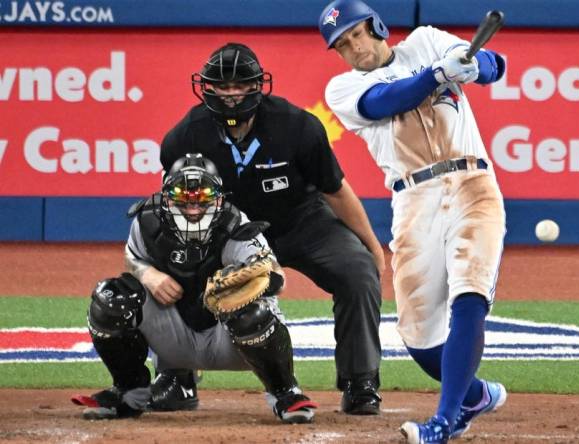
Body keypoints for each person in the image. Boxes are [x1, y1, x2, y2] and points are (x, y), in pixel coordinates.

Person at [158, 43, 384, 415]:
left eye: (240, 85)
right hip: (227, 232)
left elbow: (336, 190)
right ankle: (176, 377)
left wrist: (371, 247)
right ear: (206, 88)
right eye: (222, 86)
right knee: (175, 265)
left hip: (301, 222)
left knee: (358, 272)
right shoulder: (184, 137)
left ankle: (360, 383)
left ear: (257, 86)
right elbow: (178, 205)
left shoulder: (297, 126)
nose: (231, 95)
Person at [318, 0, 508, 442]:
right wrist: (436, 76)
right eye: (342, 44)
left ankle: (444, 421)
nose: (354, 48)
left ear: (375, 26)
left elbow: (495, 64)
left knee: (469, 292)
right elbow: (388, 99)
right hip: (413, 198)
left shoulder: (427, 42)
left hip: (471, 184)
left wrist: (472, 65)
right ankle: (474, 395)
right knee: (420, 340)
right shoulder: (341, 89)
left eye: (356, 34)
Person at [72, 153, 318, 423]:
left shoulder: (236, 225)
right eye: (183, 196)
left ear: (219, 198)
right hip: (174, 337)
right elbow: (133, 258)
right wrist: (148, 274)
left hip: (233, 340)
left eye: (202, 198)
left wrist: (242, 281)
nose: (193, 207)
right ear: (166, 196)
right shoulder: (147, 222)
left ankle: (285, 392)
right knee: (111, 298)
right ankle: (129, 393)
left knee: (252, 312)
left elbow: (276, 276)